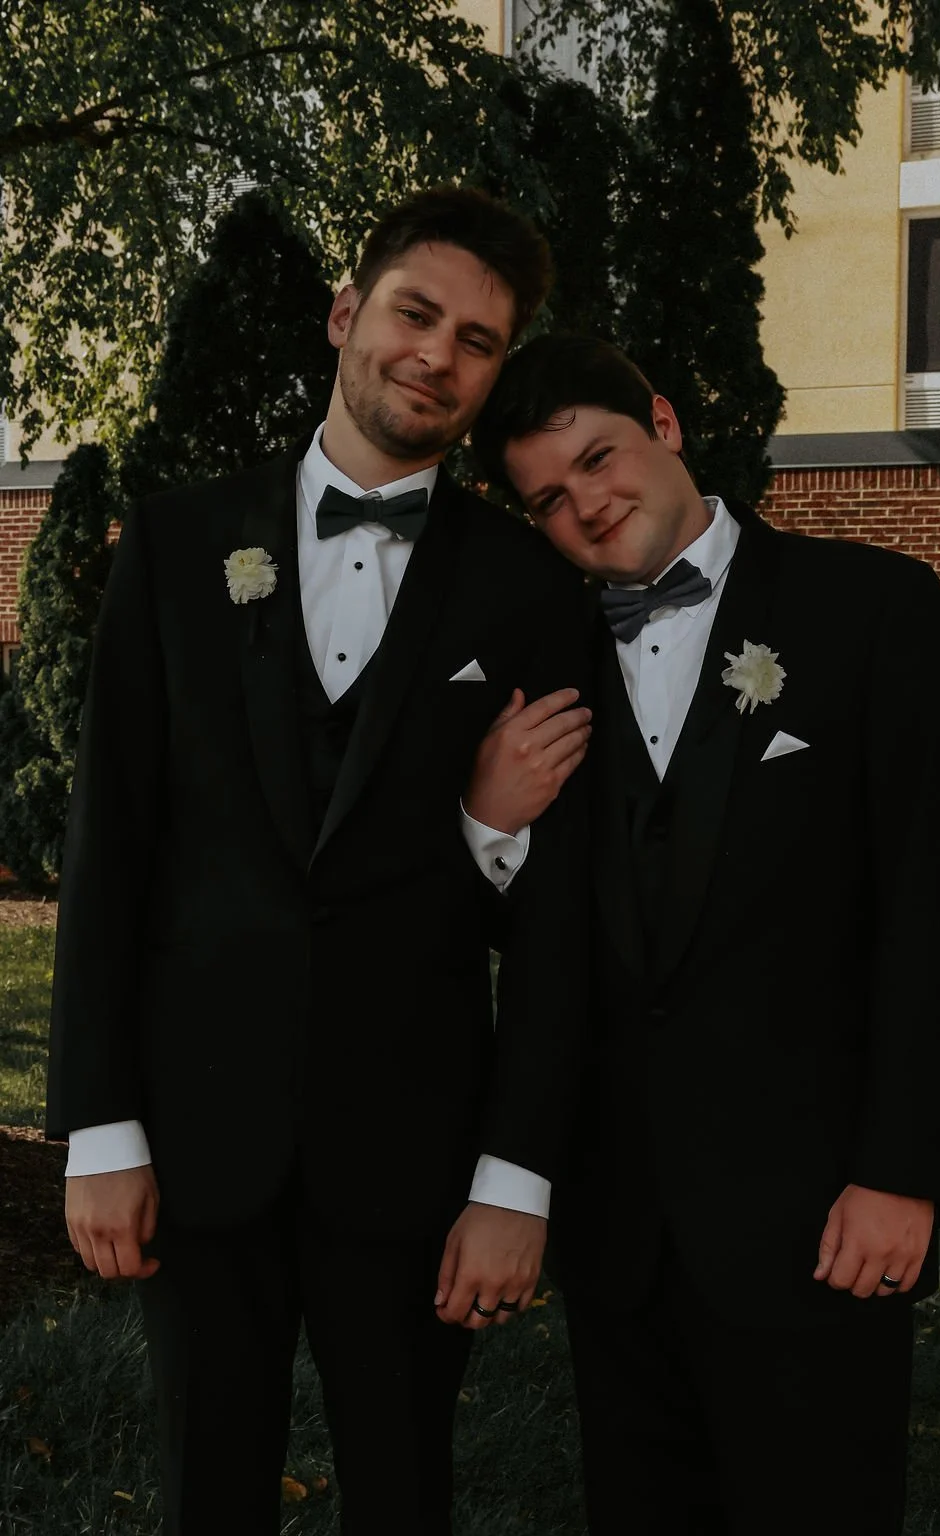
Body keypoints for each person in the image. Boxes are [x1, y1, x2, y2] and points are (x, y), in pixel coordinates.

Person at [45, 189, 593, 1536]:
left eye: (477, 339)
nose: (437, 357)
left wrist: (513, 1181)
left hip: (414, 1151)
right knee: (206, 1493)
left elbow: (567, 917)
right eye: (416, 314)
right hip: (197, 1138)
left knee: (405, 1491)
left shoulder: (525, 590)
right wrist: (99, 1128)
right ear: (348, 317)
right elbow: (110, 850)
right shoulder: (175, 546)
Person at [467, 333, 940, 1535]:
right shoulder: (540, 660)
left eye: (598, 459)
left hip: (822, 1214)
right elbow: (543, 943)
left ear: (663, 420)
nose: (587, 507)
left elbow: (937, 908)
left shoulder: (869, 606)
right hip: (621, 1234)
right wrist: (484, 821)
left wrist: (900, 1171)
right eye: (549, 499)